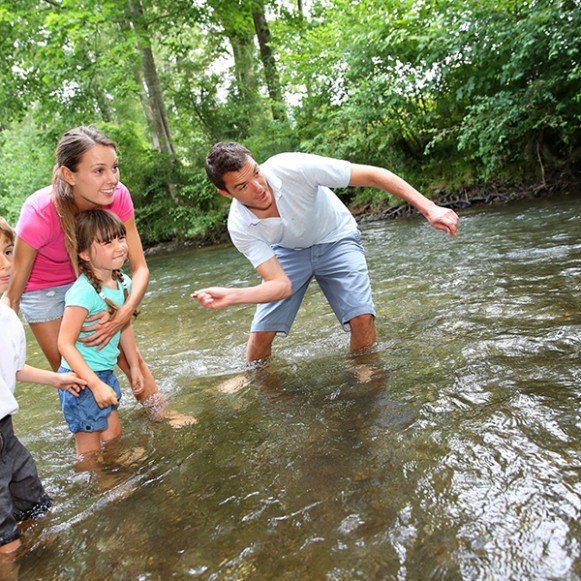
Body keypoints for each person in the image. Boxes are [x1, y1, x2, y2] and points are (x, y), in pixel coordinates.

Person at [193, 142, 460, 364]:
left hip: (335, 236)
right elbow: (281, 286)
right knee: (262, 334)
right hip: (288, 250)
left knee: (361, 316)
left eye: (256, 173)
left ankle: (364, 372)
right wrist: (232, 296)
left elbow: (373, 175)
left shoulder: (292, 167)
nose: (258, 187)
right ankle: (253, 379)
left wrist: (429, 208)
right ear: (224, 193)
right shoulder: (240, 225)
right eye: (242, 186)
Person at [2, 126, 193, 426]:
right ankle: (95, 447)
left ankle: (161, 413)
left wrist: (123, 313)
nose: (112, 179)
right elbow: (12, 295)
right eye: (99, 170)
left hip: (96, 276)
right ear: (69, 174)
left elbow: (140, 268)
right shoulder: (39, 212)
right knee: (75, 377)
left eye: (114, 167)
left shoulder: (118, 197)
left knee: (131, 357)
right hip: (45, 292)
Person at [0, 217, 86, 555]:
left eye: (8, 252)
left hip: (7, 437)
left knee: (37, 510)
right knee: (7, 542)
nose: (6, 265)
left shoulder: (7, 316)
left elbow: (14, 368)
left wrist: (59, 378)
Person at [57, 210, 143, 456]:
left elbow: (124, 326)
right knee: (89, 450)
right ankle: (101, 487)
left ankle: (114, 477)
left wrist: (134, 366)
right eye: (107, 242)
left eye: (120, 238)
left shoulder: (123, 281)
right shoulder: (83, 292)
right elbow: (64, 343)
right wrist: (94, 385)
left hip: (103, 373)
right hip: (81, 380)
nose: (119, 247)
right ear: (84, 253)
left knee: (114, 436)